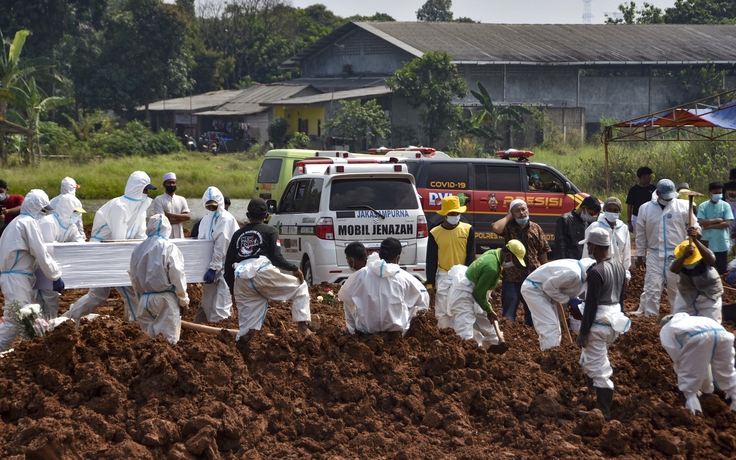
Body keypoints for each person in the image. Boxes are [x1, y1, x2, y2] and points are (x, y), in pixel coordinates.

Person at [64, 171, 157, 322]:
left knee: (98, 294)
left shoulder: (140, 210)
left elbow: (141, 237)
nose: (146, 194)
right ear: (137, 189)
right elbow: (118, 240)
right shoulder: (119, 207)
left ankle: (67, 319)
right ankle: (138, 325)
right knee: (128, 289)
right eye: (145, 190)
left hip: (118, 253)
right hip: (103, 253)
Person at [224, 198, 309, 339]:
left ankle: (242, 349)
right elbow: (276, 258)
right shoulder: (270, 230)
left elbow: (228, 266)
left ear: (247, 215)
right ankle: (302, 327)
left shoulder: (237, 234)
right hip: (262, 273)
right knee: (300, 287)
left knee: (246, 328)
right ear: (267, 215)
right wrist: (294, 268)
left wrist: (234, 290)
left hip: (241, 278)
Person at [574, 227, 630, 420]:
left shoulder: (597, 272)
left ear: (595, 247)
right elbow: (622, 298)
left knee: (599, 368)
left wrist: (583, 332)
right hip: (613, 320)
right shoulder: (620, 267)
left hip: (598, 324)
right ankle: (592, 393)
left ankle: (603, 411)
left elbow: (591, 305)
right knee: (587, 358)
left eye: (589, 244)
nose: (588, 248)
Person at [0, 190, 63, 351]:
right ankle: (30, 352)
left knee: (17, 318)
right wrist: (55, 275)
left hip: (14, 277)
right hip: (17, 279)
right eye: (43, 211)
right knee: (22, 318)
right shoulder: (28, 223)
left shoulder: (16, 223)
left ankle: (27, 351)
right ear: (36, 208)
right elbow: (40, 252)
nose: (43, 215)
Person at [633, 179, 699, 317]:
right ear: (658, 193)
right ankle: (650, 322)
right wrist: (640, 255)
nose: (669, 199)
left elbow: (696, 228)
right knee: (652, 289)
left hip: (677, 255)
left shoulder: (684, 206)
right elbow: (640, 234)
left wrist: (696, 232)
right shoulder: (645, 208)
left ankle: (678, 319)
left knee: (677, 291)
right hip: (655, 255)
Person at [339, 237, 429, 335]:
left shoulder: (361, 274)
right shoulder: (405, 277)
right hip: (397, 333)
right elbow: (424, 299)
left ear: (380, 254)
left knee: (348, 299)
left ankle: (352, 333)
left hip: (367, 331)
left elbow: (343, 295)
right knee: (414, 305)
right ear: (397, 258)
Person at [447, 240, 526, 346]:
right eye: (515, 261)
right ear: (508, 255)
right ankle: (466, 357)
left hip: (472, 291)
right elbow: (478, 293)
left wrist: (489, 311)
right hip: (463, 296)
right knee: (465, 335)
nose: (514, 264)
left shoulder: (494, 253)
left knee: (490, 327)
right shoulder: (492, 269)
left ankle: (495, 352)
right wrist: (489, 310)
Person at [128, 214, 189, 344]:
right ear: (167, 229)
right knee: (168, 343)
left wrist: (140, 298)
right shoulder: (169, 247)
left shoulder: (138, 248)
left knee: (146, 343)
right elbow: (177, 275)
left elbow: (133, 276)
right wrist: (183, 299)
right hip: (165, 299)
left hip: (145, 299)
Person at [660, 313, 736, 414]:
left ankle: (694, 410)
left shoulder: (667, 329)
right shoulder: (693, 320)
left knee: (689, 375)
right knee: (727, 372)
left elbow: (679, 357)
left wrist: (683, 370)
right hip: (723, 334)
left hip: (699, 337)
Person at [491, 199, 550, 325]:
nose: (522, 213)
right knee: (509, 314)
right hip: (511, 277)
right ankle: (507, 338)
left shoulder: (536, 228)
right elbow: (496, 228)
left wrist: (544, 271)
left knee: (532, 312)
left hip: (532, 277)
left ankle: (532, 337)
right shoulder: (509, 227)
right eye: (517, 211)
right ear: (512, 214)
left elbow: (543, 250)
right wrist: (509, 216)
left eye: (524, 209)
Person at [521, 257, 597, 351]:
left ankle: (552, 352)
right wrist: (568, 301)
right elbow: (548, 287)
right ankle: (549, 358)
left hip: (546, 292)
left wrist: (572, 301)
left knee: (555, 327)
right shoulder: (574, 273)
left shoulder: (582, 274)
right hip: (534, 289)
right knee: (549, 326)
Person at [426, 195, 476, 329]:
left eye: (457, 213)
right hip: (444, 276)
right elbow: (431, 260)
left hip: (463, 277)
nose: (455, 216)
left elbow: (471, 256)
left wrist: (472, 278)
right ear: (445, 215)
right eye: (452, 213)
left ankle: (463, 337)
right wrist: (430, 284)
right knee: (442, 311)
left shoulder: (467, 229)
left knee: (462, 309)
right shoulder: (435, 233)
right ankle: (445, 336)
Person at [36, 194, 86, 320]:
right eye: (75, 212)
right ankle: (40, 334)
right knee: (45, 302)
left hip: (53, 270)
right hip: (42, 269)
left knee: (52, 302)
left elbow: (80, 244)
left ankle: (46, 330)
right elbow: (47, 251)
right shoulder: (48, 223)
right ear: (66, 210)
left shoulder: (70, 226)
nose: (77, 216)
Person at [195, 186, 240, 323]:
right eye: (208, 206)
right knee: (208, 301)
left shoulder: (225, 219)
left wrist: (214, 267)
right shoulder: (205, 220)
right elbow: (201, 243)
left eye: (214, 206)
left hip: (225, 267)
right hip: (210, 268)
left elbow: (221, 244)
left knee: (222, 302)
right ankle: (207, 328)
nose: (211, 209)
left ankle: (223, 331)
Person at [670, 227, 722, 322]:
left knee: (710, 325)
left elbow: (711, 259)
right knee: (679, 323)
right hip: (687, 293)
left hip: (709, 292)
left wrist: (695, 241)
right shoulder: (677, 258)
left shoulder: (702, 252)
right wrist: (685, 256)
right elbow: (673, 269)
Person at [582, 197, 631, 279]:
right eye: (609, 210)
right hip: (599, 273)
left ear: (619, 212)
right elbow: (586, 253)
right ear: (604, 210)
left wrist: (626, 273)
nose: (612, 212)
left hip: (617, 272)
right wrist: (587, 271)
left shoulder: (623, 228)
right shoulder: (595, 227)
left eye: (615, 210)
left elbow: (626, 253)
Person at [697, 182, 733, 274]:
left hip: (721, 243)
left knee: (721, 271)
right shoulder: (703, 206)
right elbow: (702, 222)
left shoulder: (725, 205)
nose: (718, 195)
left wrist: (710, 225)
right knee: (706, 271)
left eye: (720, 193)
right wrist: (718, 219)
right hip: (707, 243)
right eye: (716, 193)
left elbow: (727, 223)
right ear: (710, 193)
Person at [552, 195, 600, 260]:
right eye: (590, 214)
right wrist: (562, 263)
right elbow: (560, 245)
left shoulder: (586, 223)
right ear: (583, 208)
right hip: (568, 262)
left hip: (581, 262)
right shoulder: (565, 220)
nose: (591, 217)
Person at [153, 172, 190, 239]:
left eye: (173, 182)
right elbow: (161, 221)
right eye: (169, 183)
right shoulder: (159, 199)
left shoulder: (181, 199)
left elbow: (187, 217)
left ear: (176, 184)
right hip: (165, 236)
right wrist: (179, 220)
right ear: (164, 184)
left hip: (180, 236)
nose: (172, 184)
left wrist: (170, 215)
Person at [626, 166, 656, 233]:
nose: (650, 178)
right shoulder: (633, 190)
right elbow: (629, 206)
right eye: (649, 176)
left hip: (651, 217)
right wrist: (629, 222)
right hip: (637, 218)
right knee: (639, 238)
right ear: (643, 176)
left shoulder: (652, 188)